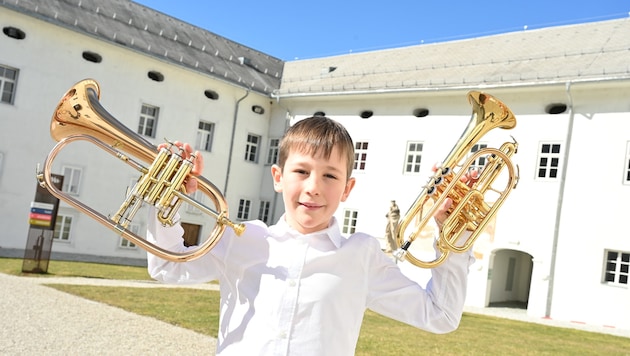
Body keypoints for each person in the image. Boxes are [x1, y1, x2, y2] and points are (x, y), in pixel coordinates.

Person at [146, 116, 476, 356]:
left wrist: (455, 236)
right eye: (301, 171)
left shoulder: (362, 256)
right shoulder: (242, 238)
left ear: (347, 189)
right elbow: (168, 268)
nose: (313, 187)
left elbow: (440, 316)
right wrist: (168, 196)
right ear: (278, 177)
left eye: (330, 175)